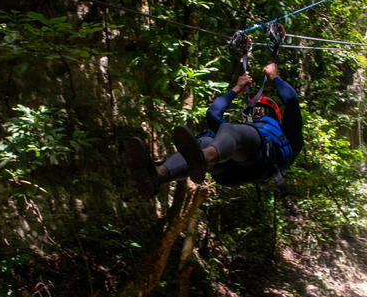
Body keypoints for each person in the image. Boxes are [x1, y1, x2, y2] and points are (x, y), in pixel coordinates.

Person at [126, 62, 303, 198]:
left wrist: (275, 76)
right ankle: (159, 175)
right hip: (228, 171)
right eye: (253, 110)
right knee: (207, 141)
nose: (256, 113)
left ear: (274, 114)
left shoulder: (287, 132)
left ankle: (203, 158)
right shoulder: (235, 138)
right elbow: (213, 114)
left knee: (227, 130)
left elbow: (292, 101)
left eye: (261, 111)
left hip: (262, 162)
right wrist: (236, 89)